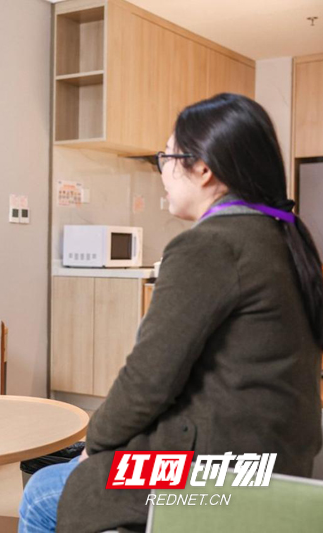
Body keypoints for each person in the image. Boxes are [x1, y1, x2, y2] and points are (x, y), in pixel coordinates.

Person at [19, 93, 323, 533]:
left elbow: (147, 380)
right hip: (276, 460)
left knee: (43, 491)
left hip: (218, 473)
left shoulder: (211, 245)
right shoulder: (279, 236)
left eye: (168, 157)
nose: (162, 171)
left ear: (203, 169)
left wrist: (94, 446)